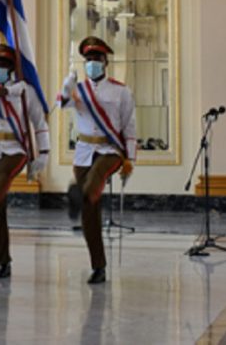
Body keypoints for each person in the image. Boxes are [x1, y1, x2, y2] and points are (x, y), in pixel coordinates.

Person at [0, 44, 50, 279]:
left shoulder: (26, 92)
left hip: (15, 149)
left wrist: (44, 153)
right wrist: (3, 93)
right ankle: (4, 261)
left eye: (3, 65)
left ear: (12, 68)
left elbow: (40, 123)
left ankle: (4, 260)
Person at [60, 36, 136, 284]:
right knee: (89, 214)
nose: (92, 63)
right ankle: (98, 266)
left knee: (94, 180)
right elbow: (62, 103)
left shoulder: (120, 91)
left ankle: (76, 194)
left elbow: (129, 125)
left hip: (110, 150)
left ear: (105, 62)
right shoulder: (78, 90)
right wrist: (67, 86)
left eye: (97, 58)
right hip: (84, 151)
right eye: (89, 59)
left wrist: (130, 159)